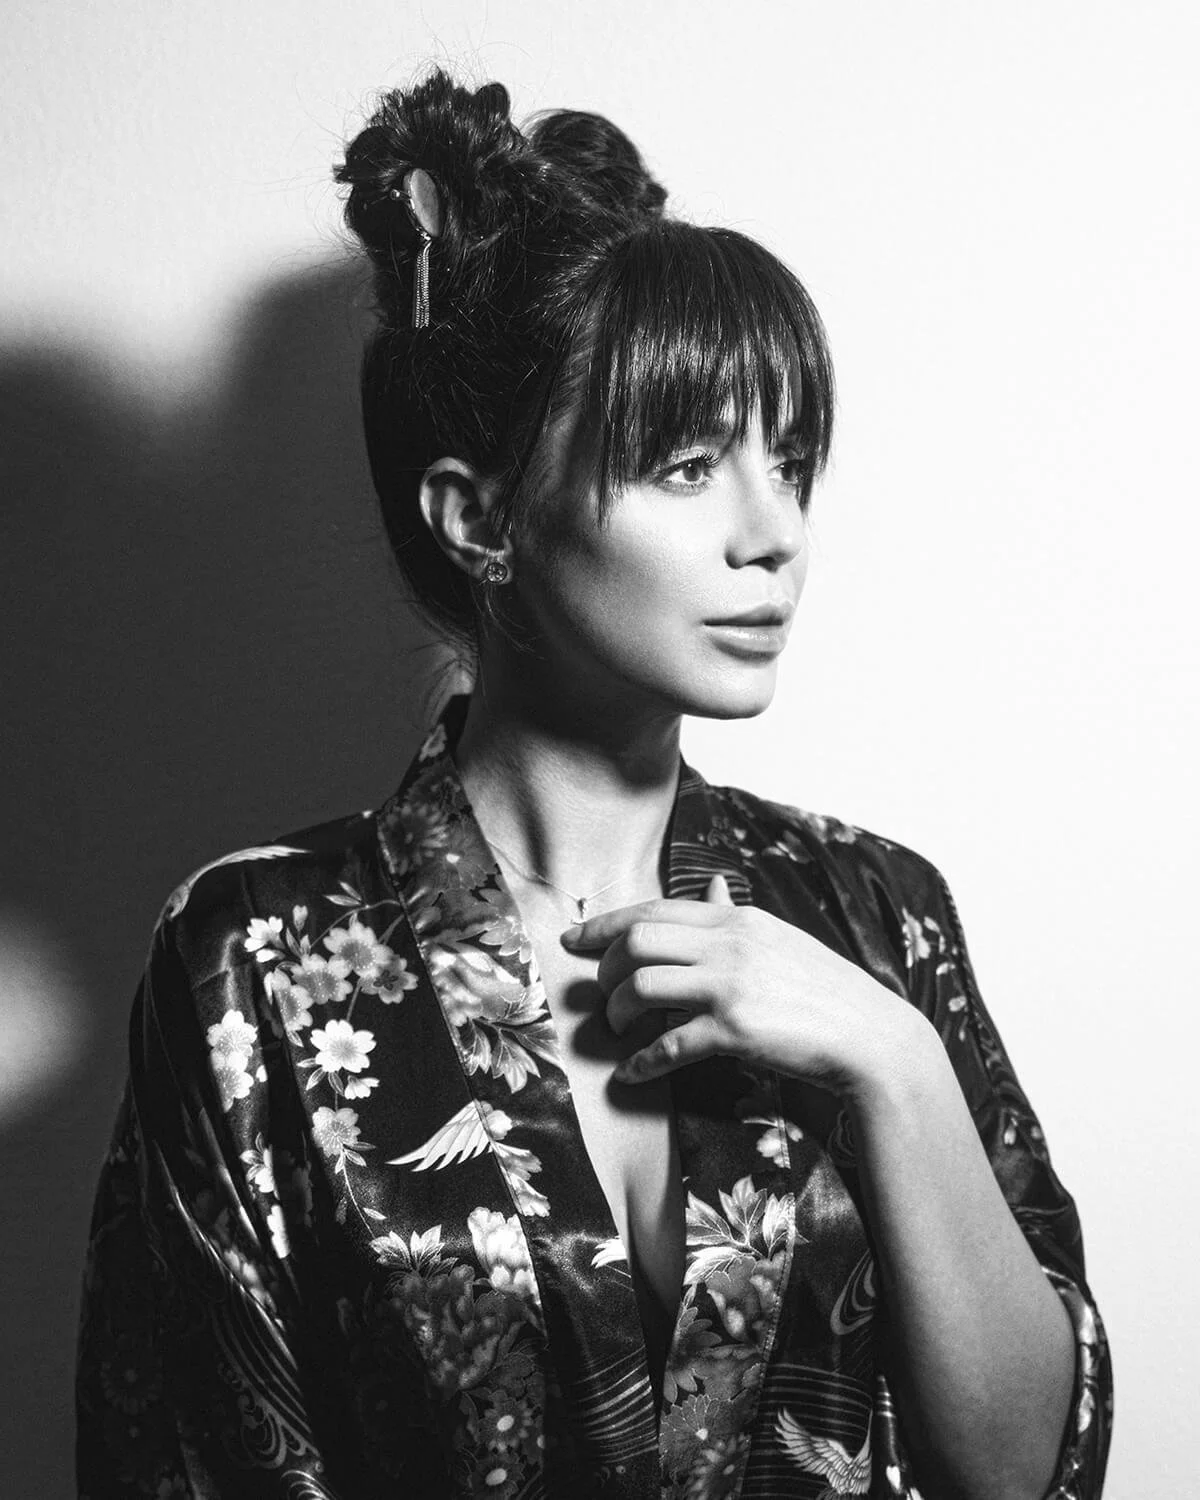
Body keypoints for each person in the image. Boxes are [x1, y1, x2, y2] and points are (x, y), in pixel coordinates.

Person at [75, 68, 1112, 1500]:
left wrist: (893, 1064)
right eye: (685, 465)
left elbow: (1025, 1473)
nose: (773, 532)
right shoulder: (249, 964)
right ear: (481, 518)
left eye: (789, 460)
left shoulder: (879, 916)